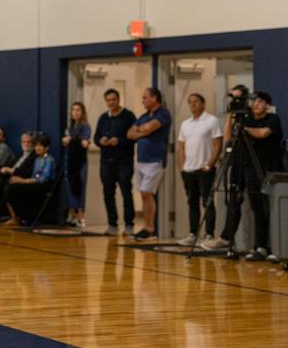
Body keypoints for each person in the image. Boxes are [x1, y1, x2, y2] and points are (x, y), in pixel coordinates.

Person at [205, 91, 283, 262]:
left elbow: (263, 133)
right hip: (246, 167)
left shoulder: (272, 119)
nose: (257, 104)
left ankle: (269, 247)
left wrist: (244, 129)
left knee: (264, 207)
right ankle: (243, 243)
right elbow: (228, 138)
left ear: (267, 105)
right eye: (254, 101)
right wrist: (230, 116)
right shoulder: (246, 120)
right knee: (245, 204)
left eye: (261, 101)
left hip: (265, 168)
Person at [175, 93, 222, 246]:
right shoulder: (185, 124)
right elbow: (181, 147)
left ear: (203, 103)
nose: (193, 104)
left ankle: (209, 234)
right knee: (192, 202)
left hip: (205, 170)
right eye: (190, 102)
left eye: (196, 101)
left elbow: (218, 144)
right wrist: (182, 168)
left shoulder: (211, 121)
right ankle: (192, 234)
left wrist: (210, 164)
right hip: (188, 170)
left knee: (207, 202)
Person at [127, 87, 172, 241]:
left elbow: (149, 128)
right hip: (141, 160)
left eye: (145, 97)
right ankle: (147, 228)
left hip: (155, 160)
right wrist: (142, 130)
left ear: (154, 98)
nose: (142, 101)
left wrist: (141, 130)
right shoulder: (144, 116)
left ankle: (150, 229)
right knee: (143, 194)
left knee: (147, 192)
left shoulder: (163, 114)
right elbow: (130, 134)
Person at [93, 89, 137, 236]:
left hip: (124, 161)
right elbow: (96, 137)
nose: (111, 102)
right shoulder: (103, 118)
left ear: (118, 99)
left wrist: (119, 141)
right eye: (108, 100)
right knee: (108, 193)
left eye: (114, 99)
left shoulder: (128, 116)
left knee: (126, 192)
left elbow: (134, 137)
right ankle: (112, 224)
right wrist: (101, 141)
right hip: (106, 161)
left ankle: (129, 224)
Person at [6, 133, 56, 225]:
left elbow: (43, 178)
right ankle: (22, 216)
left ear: (46, 148)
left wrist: (23, 181)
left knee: (20, 189)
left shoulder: (49, 160)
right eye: (36, 146)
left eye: (40, 146)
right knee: (13, 188)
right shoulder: (37, 159)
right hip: (34, 182)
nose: (37, 148)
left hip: (45, 184)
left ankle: (30, 218)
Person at [62, 102, 92, 228]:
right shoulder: (70, 127)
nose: (75, 112)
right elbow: (65, 142)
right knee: (69, 186)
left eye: (78, 110)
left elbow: (85, 142)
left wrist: (78, 140)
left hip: (80, 161)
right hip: (69, 159)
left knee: (80, 186)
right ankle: (72, 214)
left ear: (82, 112)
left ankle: (81, 216)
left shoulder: (85, 127)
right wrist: (66, 140)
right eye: (73, 110)